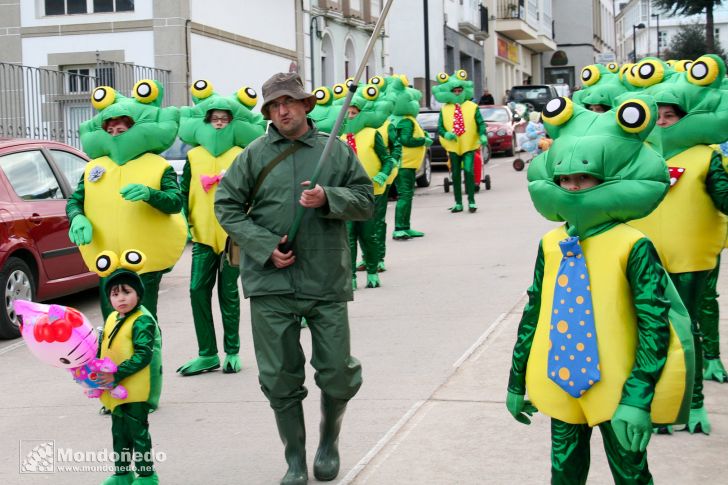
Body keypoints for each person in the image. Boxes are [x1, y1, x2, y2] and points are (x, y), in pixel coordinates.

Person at [507, 96, 694, 484]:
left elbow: (653, 323)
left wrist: (639, 396)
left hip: (618, 388)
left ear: (607, 179)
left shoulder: (632, 245)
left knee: (631, 473)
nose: (573, 187)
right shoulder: (550, 243)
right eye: (565, 179)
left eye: (585, 178)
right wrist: (516, 378)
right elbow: (535, 310)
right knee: (564, 473)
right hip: (561, 382)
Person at [214, 72, 374, 485]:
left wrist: (328, 198)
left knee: (337, 372)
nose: (281, 111)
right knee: (279, 377)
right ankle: (295, 460)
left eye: (288, 102)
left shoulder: (333, 151)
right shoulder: (252, 153)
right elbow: (227, 205)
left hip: (325, 278)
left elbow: (366, 201)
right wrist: (265, 245)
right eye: (272, 106)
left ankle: (328, 442)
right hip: (270, 282)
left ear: (306, 105)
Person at [66, 80, 186, 322]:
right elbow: (75, 200)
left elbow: (175, 202)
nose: (115, 136)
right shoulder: (94, 168)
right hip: (106, 257)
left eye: (121, 131)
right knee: (112, 322)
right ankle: (113, 361)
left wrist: (150, 194)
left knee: (144, 321)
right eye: (110, 131)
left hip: (144, 257)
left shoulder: (158, 166)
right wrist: (77, 217)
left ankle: (150, 360)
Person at [175, 82, 267, 377]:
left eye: (224, 119)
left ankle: (232, 351)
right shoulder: (193, 156)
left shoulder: (243, 153)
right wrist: (181, 220)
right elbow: (183, 190)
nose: (218, 123)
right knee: (197, 290)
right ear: (206, 122)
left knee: (228, 293)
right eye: (214, 118)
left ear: (232, 122)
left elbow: (256, 191)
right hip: (202, 236)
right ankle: (207, 353)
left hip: (232, 237)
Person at [96, 252, 162, 485]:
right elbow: (106, 346)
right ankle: (122, 472)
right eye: (115, 293)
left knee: (138, 432)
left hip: (135, 387)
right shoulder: (113, 317)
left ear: (139, 293)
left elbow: (144, 354)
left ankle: (146, 475)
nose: (121, 298)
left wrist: (116, 373)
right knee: (119, 432)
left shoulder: (141, 320)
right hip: (114, 387)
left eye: (127, 292)